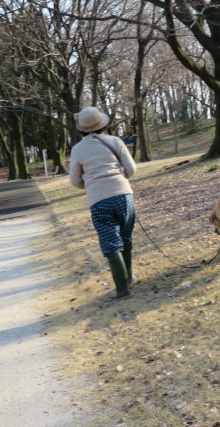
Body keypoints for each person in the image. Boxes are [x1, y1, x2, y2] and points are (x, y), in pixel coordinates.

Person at [69, 106, 137, 299]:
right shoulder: (116, 141)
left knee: (111, 243)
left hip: (99, 201)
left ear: (81, 128)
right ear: (102, 124)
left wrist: (91, 185)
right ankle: (129, 277)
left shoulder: (78, 149)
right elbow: (131, 169)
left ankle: (122, 289)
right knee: (126, 237)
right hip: (124, 196)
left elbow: (75, 181)